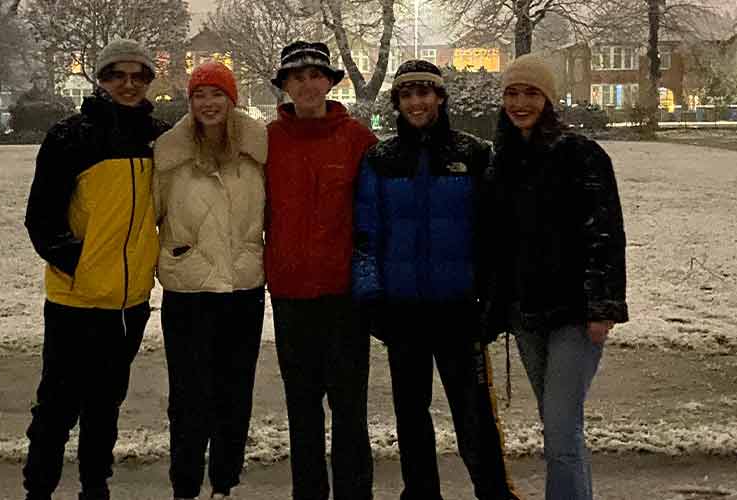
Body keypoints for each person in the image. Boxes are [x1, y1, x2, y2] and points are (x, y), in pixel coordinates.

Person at [351, 60, 520, 500]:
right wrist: (371, 297)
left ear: (440, 98)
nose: (416, 102)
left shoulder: (473, 153)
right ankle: (421, 492)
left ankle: (493, 491)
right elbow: (366, 232)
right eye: (407, 95)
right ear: (398, 103)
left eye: (425, 93)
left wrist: (494, 299)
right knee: (410, 413)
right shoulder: (381, 159)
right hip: (402, 309)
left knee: (474, 412)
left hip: (459, 308)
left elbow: (496, 234)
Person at [21, 38, 170, 500]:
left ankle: (94, 485)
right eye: (116, 75)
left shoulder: (160, 139)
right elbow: (41, 218)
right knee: (58, 404)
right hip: (75, 299)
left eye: (137, 76)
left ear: (148, 82)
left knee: (106, 404)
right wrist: (78, 266)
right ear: (101, 80)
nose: (127, 84)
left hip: (129, 303)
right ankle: (39, 487)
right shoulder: (70, 136)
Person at [479, 52, 630, 500]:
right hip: (527, 315)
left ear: (548, 99)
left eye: (531, 93)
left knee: (561, 433)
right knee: (559, 427)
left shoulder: (581, 155)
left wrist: (602, 308)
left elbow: (605, 233)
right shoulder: (501, 160)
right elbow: (497, 242)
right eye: (512, 93)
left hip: (574, 314)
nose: (520, 102)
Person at [265, 40, 379, 500]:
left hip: (343, 296)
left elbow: (375, 216)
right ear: (286, 87)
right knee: (302, 411)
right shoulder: (267, 142)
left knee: (350, 410)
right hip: (291, 295)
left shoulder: (357, 140)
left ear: (330, 83)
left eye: (316, 75)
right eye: (298, 77)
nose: (308, 84)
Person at [152, 61, 268, 500]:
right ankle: (184, 485)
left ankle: (224, 483)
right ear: (190, 101)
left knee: (235, 394)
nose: (209, 103)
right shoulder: (169, 153)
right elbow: (151, 213)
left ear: (231, 98)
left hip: (243, 289)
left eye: (217, 94)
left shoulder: (258, 149)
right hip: (189, 290)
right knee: (188, 398)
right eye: (200, 95)